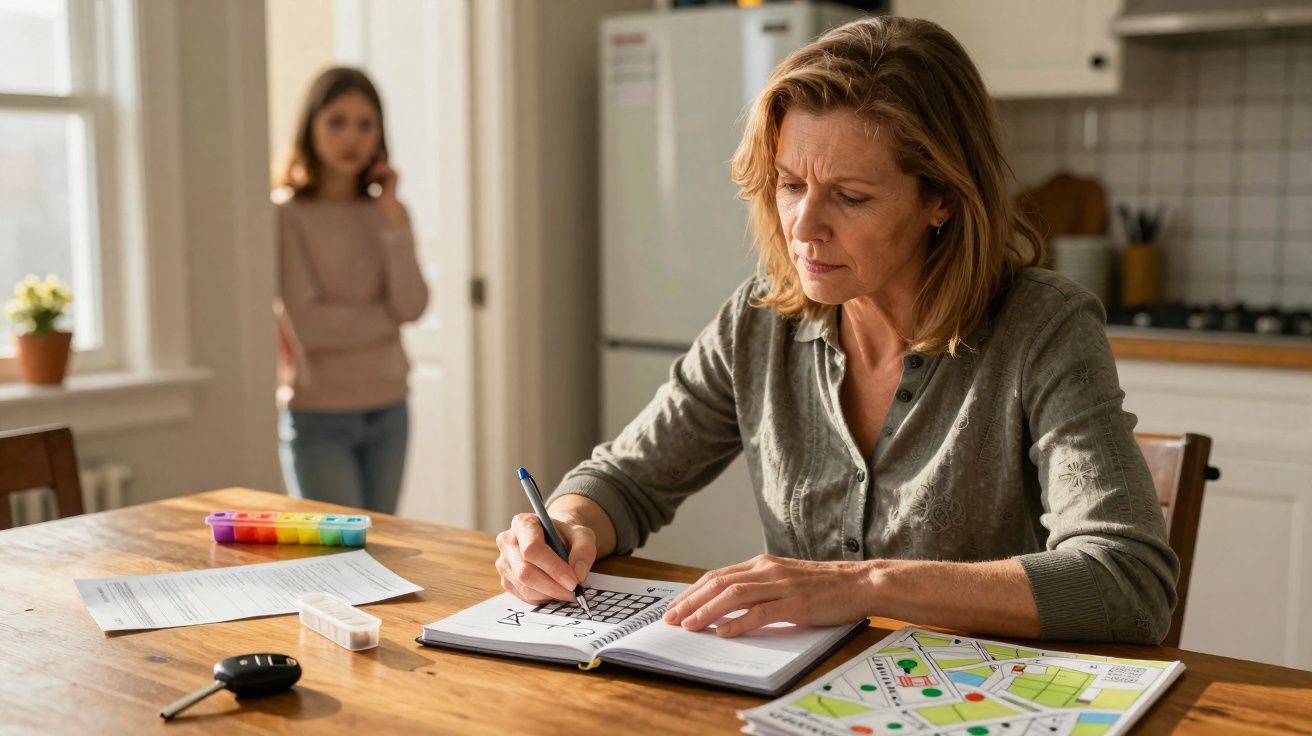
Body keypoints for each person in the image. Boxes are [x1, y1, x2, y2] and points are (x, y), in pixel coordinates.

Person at [495, 16, 1179, 645]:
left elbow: (1128, 581)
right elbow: (627, 479)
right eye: (791, 184)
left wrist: (859, 586)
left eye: (850, 196)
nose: (804, 226)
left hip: (982, 701)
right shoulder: (759, 324)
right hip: (801, 699)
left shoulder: (1043, 327)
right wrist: (566, 527)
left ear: (941, 198)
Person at [272, 67, 429, 514]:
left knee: (381, 550)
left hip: (390, 410)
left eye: (365, 124)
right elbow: (312, 328)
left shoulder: (389, 212)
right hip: (318, 417)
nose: (351, 137)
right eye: (337, 121)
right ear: (311, 127)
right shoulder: (286, 214)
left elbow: (413, 305)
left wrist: (393, 219)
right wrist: (385, 317)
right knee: (338, 561)